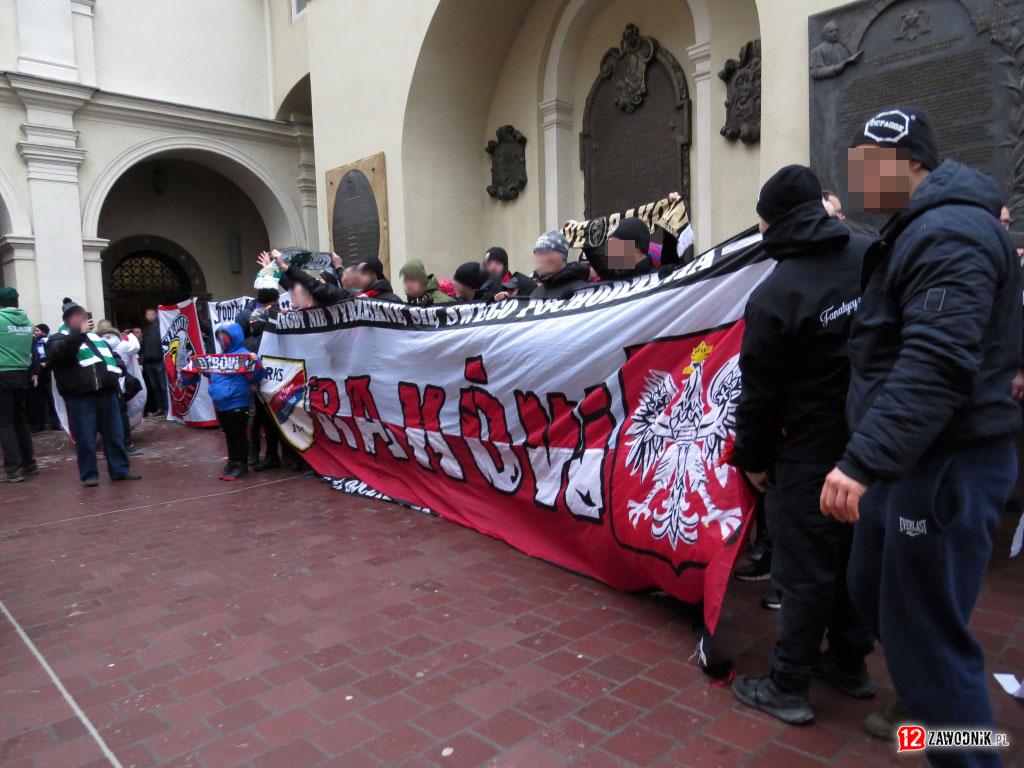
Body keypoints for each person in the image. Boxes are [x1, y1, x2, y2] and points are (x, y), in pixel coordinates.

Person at [821, 108, 1021, 763]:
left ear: (911, 164)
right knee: (872, 587)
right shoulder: (923, 227)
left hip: (945, 462)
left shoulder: (949, 233)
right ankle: (926, 713)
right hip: (910, 459)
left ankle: (966, 744)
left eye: (867, 167)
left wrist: (861, 461)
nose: (855, 181)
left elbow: (936, 360)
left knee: (928, 640)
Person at [728, 165, 874, 725]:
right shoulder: (871, 256)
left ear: (775, 222)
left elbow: (759, 395)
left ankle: (788, 683)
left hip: (809, 454)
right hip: (870, 446)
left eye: (761, 221)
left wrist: (753, 460)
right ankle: (849, 663)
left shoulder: (775, 295)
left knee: (805, 570)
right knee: (853, 559)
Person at [47, 298, 140, 487]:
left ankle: (120, 470)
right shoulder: (57, 339)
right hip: (80, 396)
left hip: (107, 392)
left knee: (114, 435)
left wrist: (118, 368)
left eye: (82, 315)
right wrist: (77, 335)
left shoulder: (96, 339)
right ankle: (89, 475)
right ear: (67, 320)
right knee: (85, 438)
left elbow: (113, 356)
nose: (81, 318)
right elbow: (59, 356)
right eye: (76, 316)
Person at [183, 323, 265, 480]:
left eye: (225, 337)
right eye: (220, 337)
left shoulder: (244, 355)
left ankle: (241, 464)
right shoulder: (219, 357)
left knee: (238, 434)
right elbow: (210, 373)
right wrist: (199, 365)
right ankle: (232, 461)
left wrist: (256, 362)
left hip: (237, 401)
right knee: (229, 434)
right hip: (221, 403)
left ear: (234, 337)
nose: (222, 340)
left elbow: (257, 375)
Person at [0, 287, 36, 482]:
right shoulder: (28, 322)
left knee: (5, 423)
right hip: (22, 373)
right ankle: (29, 463)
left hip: (3, 373)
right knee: (20, 420)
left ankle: (14, 469)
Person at [530, 231, 591, 300]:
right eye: (536, 253)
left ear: (562, 256)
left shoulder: (581, 290)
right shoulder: (537, 292)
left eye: (544, 253)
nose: (539, 259)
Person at [28, 323, 59, 432]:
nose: (34, 333)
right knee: (37, 399)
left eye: (37, 330)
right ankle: (39, 423)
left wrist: (46, 364)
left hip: (47, 372)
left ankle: (55, 422)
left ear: (44, 332)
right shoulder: (32, 342)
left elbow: (52, 355)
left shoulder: (48, 342)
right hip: (36, 372)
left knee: (51, 398)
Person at [140, 308, 166, 417]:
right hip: (149, 363)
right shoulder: (146, 329)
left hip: (159, 361)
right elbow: (143, 346)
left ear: (156, 315)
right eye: (147, 314)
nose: (149, 316)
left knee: (163, 386)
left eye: (151, 314)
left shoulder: (162, 327)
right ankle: (160, 408)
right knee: (156, 387)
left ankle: (167, 409)